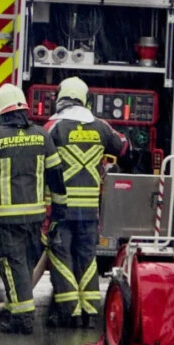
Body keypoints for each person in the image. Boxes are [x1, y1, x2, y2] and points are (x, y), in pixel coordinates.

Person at [0, 83, 67, 335]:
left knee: (10, 264)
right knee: (23, 264)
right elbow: (56, 175)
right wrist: (59, 208)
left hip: (3, 217)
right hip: (34, 217)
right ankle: (13, 309)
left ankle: (23, 318)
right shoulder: (42, 136)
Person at [43, 77, 128, 329]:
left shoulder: (52, 127)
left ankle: (68, 312)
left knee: (61, 257)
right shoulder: (101, 127)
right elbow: (124, 147)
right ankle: (90, 312)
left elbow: (39, 160)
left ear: (60, 98)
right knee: (87, 258)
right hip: (89, 211)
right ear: (84, 99)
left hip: (61, 210)